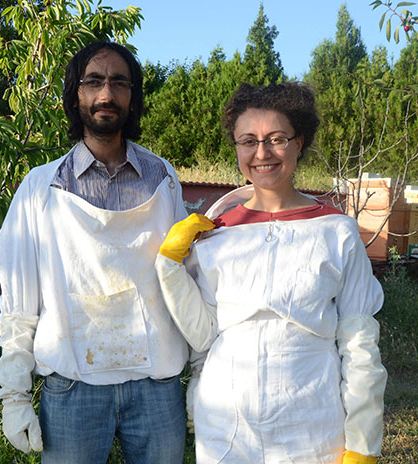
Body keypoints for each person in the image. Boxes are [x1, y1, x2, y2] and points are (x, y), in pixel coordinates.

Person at [155, 82, 387, 464]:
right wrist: (169, 267)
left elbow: (359, 342)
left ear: (300, 142)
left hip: (311, 422)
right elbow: (202, 334)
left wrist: (363, 441)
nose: (261, 153)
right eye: (248, 141)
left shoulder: (336, 231)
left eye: (276, 138)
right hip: (227, 424)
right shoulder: (218, 229)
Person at [0, 41, 189, 464]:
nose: (106, 94)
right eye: (94, 82)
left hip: (156, 384)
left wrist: (206, 367)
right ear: (75, 94)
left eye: (119, 82)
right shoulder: (41, 188)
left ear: (133, 96)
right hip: (71, 386)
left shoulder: (163, 179)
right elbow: (19, 297)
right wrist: (13, 392)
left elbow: (186, 277)